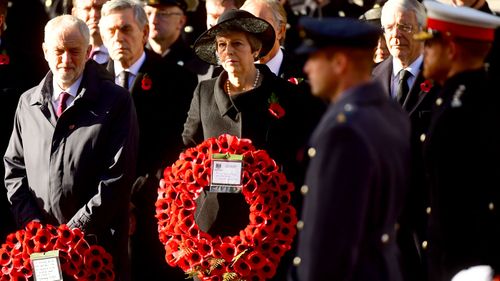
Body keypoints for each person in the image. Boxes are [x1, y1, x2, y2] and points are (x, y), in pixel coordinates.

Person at [183, 9, 322, 280]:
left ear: (255, 49)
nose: (228, 51)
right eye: (222, 45)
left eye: (237, 43)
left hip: (268, 229)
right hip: (212, 226)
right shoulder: (204, 93)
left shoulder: (286, 95)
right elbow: (187, 149)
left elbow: (303, 157)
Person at [3, 14, 139, 281]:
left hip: (95, 247)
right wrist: (34, 228)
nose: (66, 60)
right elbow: (14, 170)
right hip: (39, 249)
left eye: (74, 51)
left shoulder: (116, 102)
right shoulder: (27, 103)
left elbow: (117, 176)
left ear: (89, 52)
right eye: (58, 51)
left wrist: (73, 233)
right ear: (44, 52)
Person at [290, 16, 410, 281]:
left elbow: (327, 240)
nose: (307, 68)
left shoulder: (342, 131)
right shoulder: (390, 113)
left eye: (313, 58)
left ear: (339, 63)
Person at [99, 1, 197, 280]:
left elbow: (177, 147)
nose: (119, 38)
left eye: (126, 29)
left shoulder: (178, 80)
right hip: (101, 213)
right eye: (112, 31)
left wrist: (134, 197)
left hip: (154, 210)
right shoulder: (93, 82)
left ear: (144, 32)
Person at [415, 1, 500, 280]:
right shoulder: (450, 96)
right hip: (449, 261)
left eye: (430, 44)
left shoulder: (474, 103)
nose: (424, 51)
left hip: (473, 264)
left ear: (450, 49)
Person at [372, 1, 436, 280]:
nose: (396, 35)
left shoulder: (442, 75)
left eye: (405, 27)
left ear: (423, 31)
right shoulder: (372, 77)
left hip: (427, 220)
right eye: (389, 28)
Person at [240, 0, 305, 79]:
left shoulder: (305, 72)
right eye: (247, 25)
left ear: (280, 31)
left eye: (261, 25)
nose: (253, 32)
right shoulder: (228, 72)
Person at [144, 0, 196, 67]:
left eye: (163, 14)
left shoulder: (197, 64)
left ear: (181, 21)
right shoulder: (133, 59)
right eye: (148, 13)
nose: (153, 21)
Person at [72, 0, 111, 64]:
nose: (94, 15)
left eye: (100, 8)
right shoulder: (66, 56)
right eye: (87, 9)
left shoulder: (126, 55)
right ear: (75, 13)